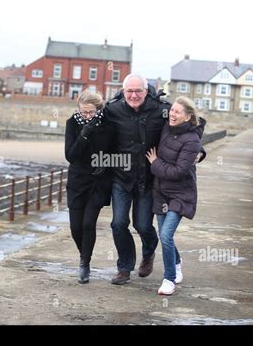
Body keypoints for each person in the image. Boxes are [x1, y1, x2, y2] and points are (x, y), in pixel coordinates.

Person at [104, 74, 205, 285]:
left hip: (148, 180)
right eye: (129, 91)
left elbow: (186, 125)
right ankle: (124, 268)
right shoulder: (112, 110)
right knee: (118, 223)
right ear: (123, 92)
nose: (134, 95)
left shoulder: (161, 109)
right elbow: (97, 130)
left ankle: (148, 252)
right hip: (121, 178)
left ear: (146, 90)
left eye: (138, 91)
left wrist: (199, 151)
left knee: (142, 225)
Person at [146, 96, 206, 295]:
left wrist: (154, 163)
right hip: (161, 192)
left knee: (165, 235)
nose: (172, 113)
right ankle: (177, 261)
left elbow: (178, 172)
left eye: (177, 112)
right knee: (166, 237)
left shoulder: (193, 141)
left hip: (181, 194)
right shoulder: (166, 128)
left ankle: (168, 279)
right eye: (172, 110)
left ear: (188, 117)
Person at [65, 90, 114, 284]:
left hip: (98, 181)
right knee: (75, 226)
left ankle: (84, 264)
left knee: (88, 224)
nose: (87, 116)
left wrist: (106, 164)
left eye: (91, 112)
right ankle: (83, 255)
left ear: (98, 109)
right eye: (84, 112)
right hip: (77, 180)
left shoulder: (108, 125)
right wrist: (84, 134)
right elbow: (70, 155)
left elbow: (115, 151)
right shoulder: (72, 123)